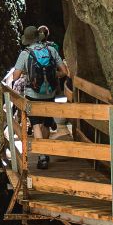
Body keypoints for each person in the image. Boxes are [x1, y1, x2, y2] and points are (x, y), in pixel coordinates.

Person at [11, 26, 69, 169]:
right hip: (50, 93)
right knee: (47, 124)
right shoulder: (51, 50)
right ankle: (46, 151)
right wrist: (55, 76)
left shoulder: (25, 53)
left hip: (33, 94)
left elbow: (15, 76)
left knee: (36, 124)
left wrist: (27, 74)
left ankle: (42, 157)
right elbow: (65, 71)